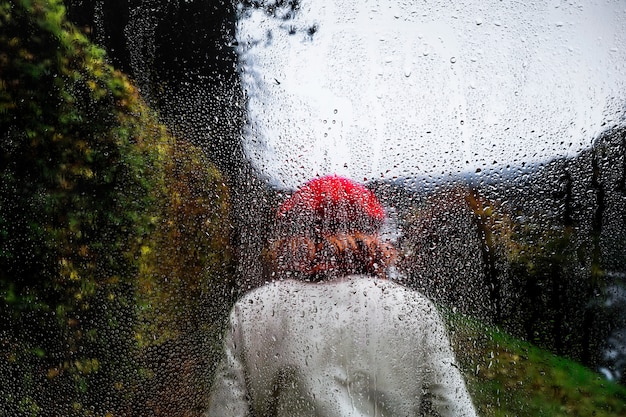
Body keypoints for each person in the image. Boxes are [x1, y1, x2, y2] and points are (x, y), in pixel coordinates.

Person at [207, 175, 477, 416]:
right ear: (371, 233)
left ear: (295, 232)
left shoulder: (252, 309)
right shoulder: (414, 309)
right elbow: (453, 407)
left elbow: (226, 410)